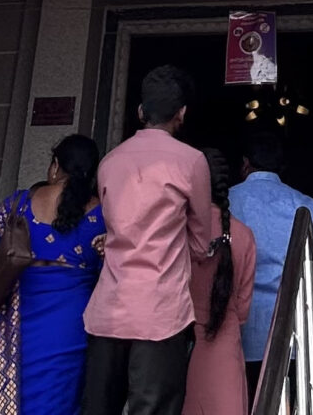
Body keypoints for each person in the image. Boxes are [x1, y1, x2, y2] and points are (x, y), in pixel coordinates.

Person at [82, 65, 221, 415]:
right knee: (154, 407)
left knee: (100, 407)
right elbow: (200, 241)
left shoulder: (110, 161)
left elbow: (116, 225)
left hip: (108, 309)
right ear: (182, 114)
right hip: (160, 311)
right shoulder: (191, 161)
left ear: (140, 112)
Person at [0, 134, 107, 415]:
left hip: (16, 324)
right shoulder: (103, 215)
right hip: (70, 329)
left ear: (55, 166)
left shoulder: (18, 204)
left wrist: (19, 268)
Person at [229, 131, 313, 383]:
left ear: (245, 163)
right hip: (291, 336)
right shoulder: (307, 206)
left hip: (234, 335)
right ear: (282, 167)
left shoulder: (225, 201)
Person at [183, 150, 255, 415]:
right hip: (226, 348)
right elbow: (244, 309)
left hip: (178, 344)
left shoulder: (178, 232)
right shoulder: (244, 235)